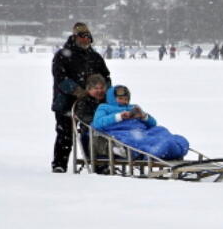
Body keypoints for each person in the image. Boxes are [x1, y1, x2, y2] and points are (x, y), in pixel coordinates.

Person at [51, 23, 110, 173]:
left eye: (88, 37)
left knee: (94, 133)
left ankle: (99, 163)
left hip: (92, 103)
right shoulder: (62, 55)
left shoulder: (95, 57)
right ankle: (59, 164)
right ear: (75, 37)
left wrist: (103, 90)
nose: (86, 40)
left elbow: (106, 76)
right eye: (82, 37)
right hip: (66, 103)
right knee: (65, 135)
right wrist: (78, 91)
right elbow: (60, 78)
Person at [93, 85, 190, 160]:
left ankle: (169, 146)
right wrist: (119, 117)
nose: (124, 101)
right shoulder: (104, 107)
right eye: (120, 99)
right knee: (135, 139)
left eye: (126, 99)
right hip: (122, 131)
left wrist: (144, 117)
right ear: (113, 98)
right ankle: (154, 150)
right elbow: (97, 123)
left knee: (161, 130)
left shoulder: (133, 107)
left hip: (141, 131)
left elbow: (153, 123)